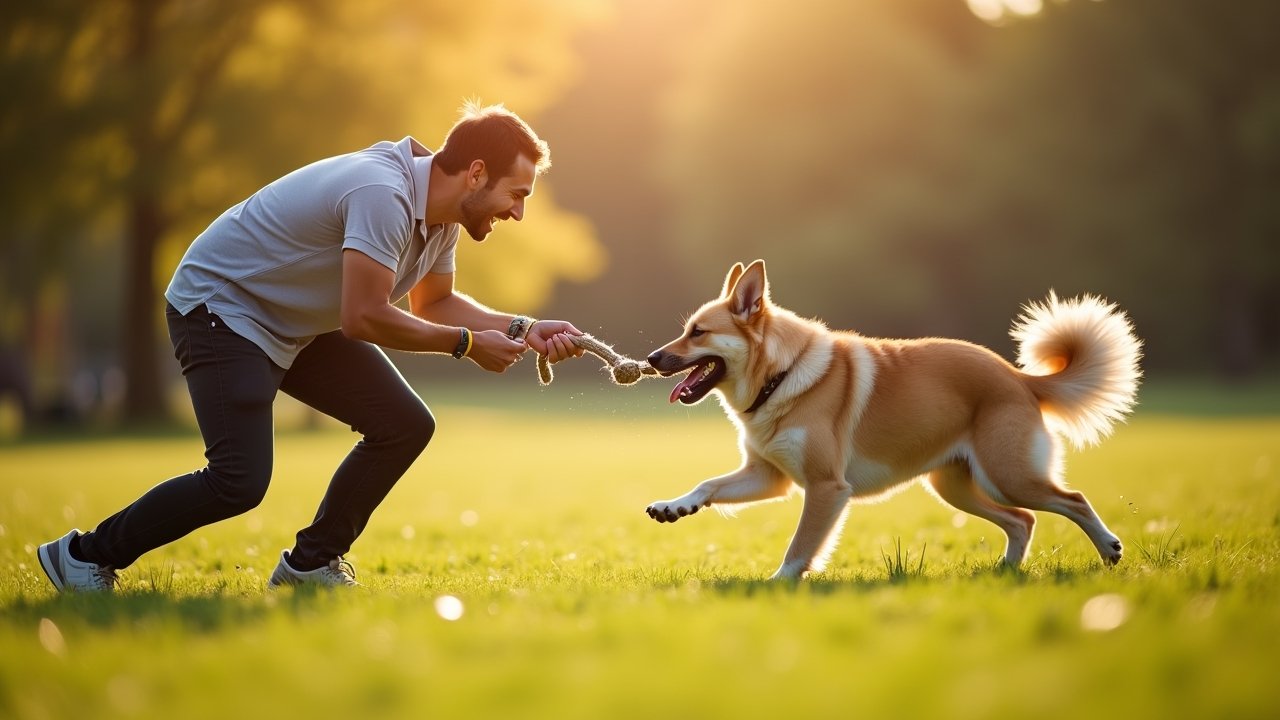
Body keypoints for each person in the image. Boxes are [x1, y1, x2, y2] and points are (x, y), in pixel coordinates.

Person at [36, 101, 585, 592]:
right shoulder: (384, 194)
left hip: (293, 320)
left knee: (405, 424)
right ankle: (82, 556)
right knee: (238, 481)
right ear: (476, 173)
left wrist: (524, 328)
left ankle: (310, 564)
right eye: (517, 195)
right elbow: (363, 316)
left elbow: (433, 303)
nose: (518, 213)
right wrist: (466, 345)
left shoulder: (441, 218)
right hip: (221, 306)